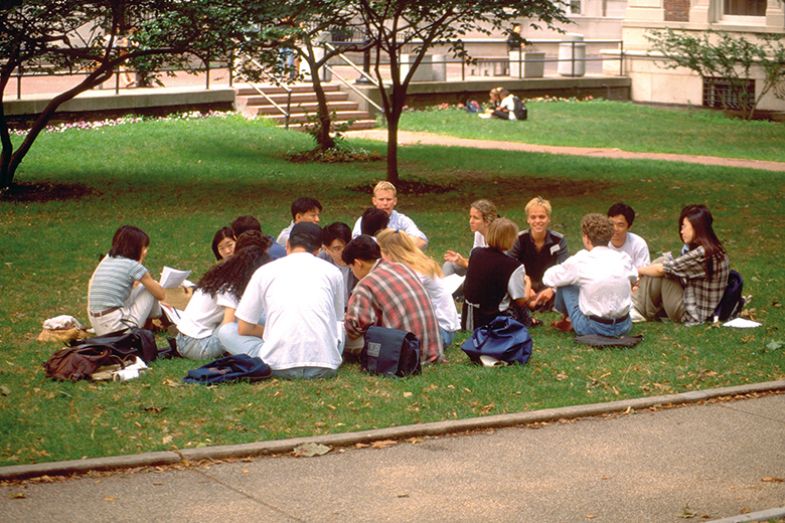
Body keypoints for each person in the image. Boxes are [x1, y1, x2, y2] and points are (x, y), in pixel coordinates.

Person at [230, 222, 345, 379]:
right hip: (325, 366)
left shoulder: (264, 271)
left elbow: (243, 328)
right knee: (340, 325)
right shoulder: (333, 272)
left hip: (275, 366)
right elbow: (338, 320)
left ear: (287, 245)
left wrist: (270, 335)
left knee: (226, 331)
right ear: (318, 250)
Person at [343, 235, 442, 363]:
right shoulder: (403, 267)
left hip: (402, 354)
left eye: (351, 268)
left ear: (358, 263)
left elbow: (353, 329)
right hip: (431, 350)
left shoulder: (366, 284)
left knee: (344, 337)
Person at [177, 231, 271, 360]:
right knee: (242, 322)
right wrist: (270, 332)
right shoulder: (230, 283)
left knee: (256, 316)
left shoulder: (228, 271)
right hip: (194, 344)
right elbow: (228, 328)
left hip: (194, 336)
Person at [633, 205, 730, 325]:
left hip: (690, 314)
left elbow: (663, 269)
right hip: (696, 304)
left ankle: (638, 308)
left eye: (684, 226)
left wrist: (637, 271)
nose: (681, 231)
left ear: (697, 227)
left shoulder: (703, 254)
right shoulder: (715, 249)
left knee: (663, 269)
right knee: (662, 263)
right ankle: (638, 306)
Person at [543, 214, 637, 337]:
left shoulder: (581, 259)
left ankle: (567, 319)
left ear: (586, 238)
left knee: (566, 284)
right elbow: (634, 278)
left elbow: (548, 278)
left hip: (592, 328)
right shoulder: (623, 258)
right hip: (624, 326)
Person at [377, 229, 460, 348]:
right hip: (440, 329)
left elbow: (399, 300)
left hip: (441, 333)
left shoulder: (415, 270)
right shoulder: (413, 262)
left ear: (388, 252)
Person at [87, 225, 166, 336]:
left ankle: (151, 327)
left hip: (97, 325)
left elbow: (133, 286)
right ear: (136, 247)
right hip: (117, 327)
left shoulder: (107, 259)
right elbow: (161, 295)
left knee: (141, 288)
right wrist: (140, 260)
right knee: (152, 289)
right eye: (144, 247)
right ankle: (154, 325)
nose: (146, 251)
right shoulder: (133, 266)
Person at [463, 218, 531, 330]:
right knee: (518, 305)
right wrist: (528, 282)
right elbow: (520, 300)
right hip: (493, 319)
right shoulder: (513, 266)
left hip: (470, 317)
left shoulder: (476, 253)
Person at [508, 196, 569, 311]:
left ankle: (543, 303)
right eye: (533, 217)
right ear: (528, 220)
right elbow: (508, 266)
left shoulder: (559, 240)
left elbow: (565, 269)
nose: (538, 221)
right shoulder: (519, 239)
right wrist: (526, 286)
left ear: (548, 219)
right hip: (524, 285)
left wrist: (552, 289)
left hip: (549, 286)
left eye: (542, 217)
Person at [351, 181, 427, 249]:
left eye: (388, 199)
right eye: (381, 199)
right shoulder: (363, 220)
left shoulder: (402, 220)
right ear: (374, 201)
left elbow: (421, 241)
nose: (385, 203)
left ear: (395, 201)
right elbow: (356, 244)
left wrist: (394, 250)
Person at [443, 199, 498, 276]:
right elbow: (475, 261)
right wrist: (459, 260)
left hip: (490, 278)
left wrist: (464, 263)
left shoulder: (497, 238)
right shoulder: (479, 232)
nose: (471, 221)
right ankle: (445, 288)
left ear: (487, 221)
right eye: (470, 217)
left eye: (475, 218)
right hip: (478, 272)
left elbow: (488, 269)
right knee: (449, 264)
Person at [318, 221, 357, 302]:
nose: (344, 251)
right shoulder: (320, 262)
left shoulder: (358, 260)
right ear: (325, 249)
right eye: (337, 248)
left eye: (347, 245)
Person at [607, 202, 650, 269]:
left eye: (620, 225)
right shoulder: (599, 243)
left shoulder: (638, 244)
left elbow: (643, 272)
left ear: (629, 227)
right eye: (611, 223)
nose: (615, 229)